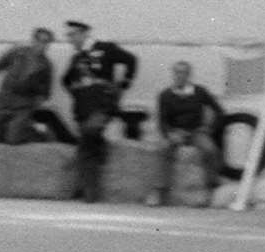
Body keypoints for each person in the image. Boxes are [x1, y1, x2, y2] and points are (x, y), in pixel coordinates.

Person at [63, 20, 139, 202]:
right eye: (68, 35)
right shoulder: (76, 58)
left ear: (83, 33)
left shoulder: (105, 48)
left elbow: (131, 60)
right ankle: (84, 187)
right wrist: (76, 92)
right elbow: (65, 80)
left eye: (72, 35)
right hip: (83, 107)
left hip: (102, 104)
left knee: (89, 134)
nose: (69, 39)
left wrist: (123, 84)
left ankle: (88, 191)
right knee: (89, 141)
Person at [150, 60, 226, 206]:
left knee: (210, 150)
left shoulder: (200, 92)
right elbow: (162, 121)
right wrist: (169, 134)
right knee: (163, 150)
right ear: (173, 75)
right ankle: (160, 191)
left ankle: (210, 189)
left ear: (189, 75)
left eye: (183, 73)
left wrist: (209, 128)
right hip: (176, 133)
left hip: (196, 132)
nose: (180, 76)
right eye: (177, 73)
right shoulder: (165, 95)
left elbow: (219, 112)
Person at [0, 26, 56, 144]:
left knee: (13, 140)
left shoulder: (46, 66)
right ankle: (9, 127)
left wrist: (34, 105)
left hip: (23, 105)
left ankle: (36, 132)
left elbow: (46, 92)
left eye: (46, 42)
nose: (42, 45)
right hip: (3, 100)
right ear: (34, 40)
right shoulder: (17, 52)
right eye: (40, 40)